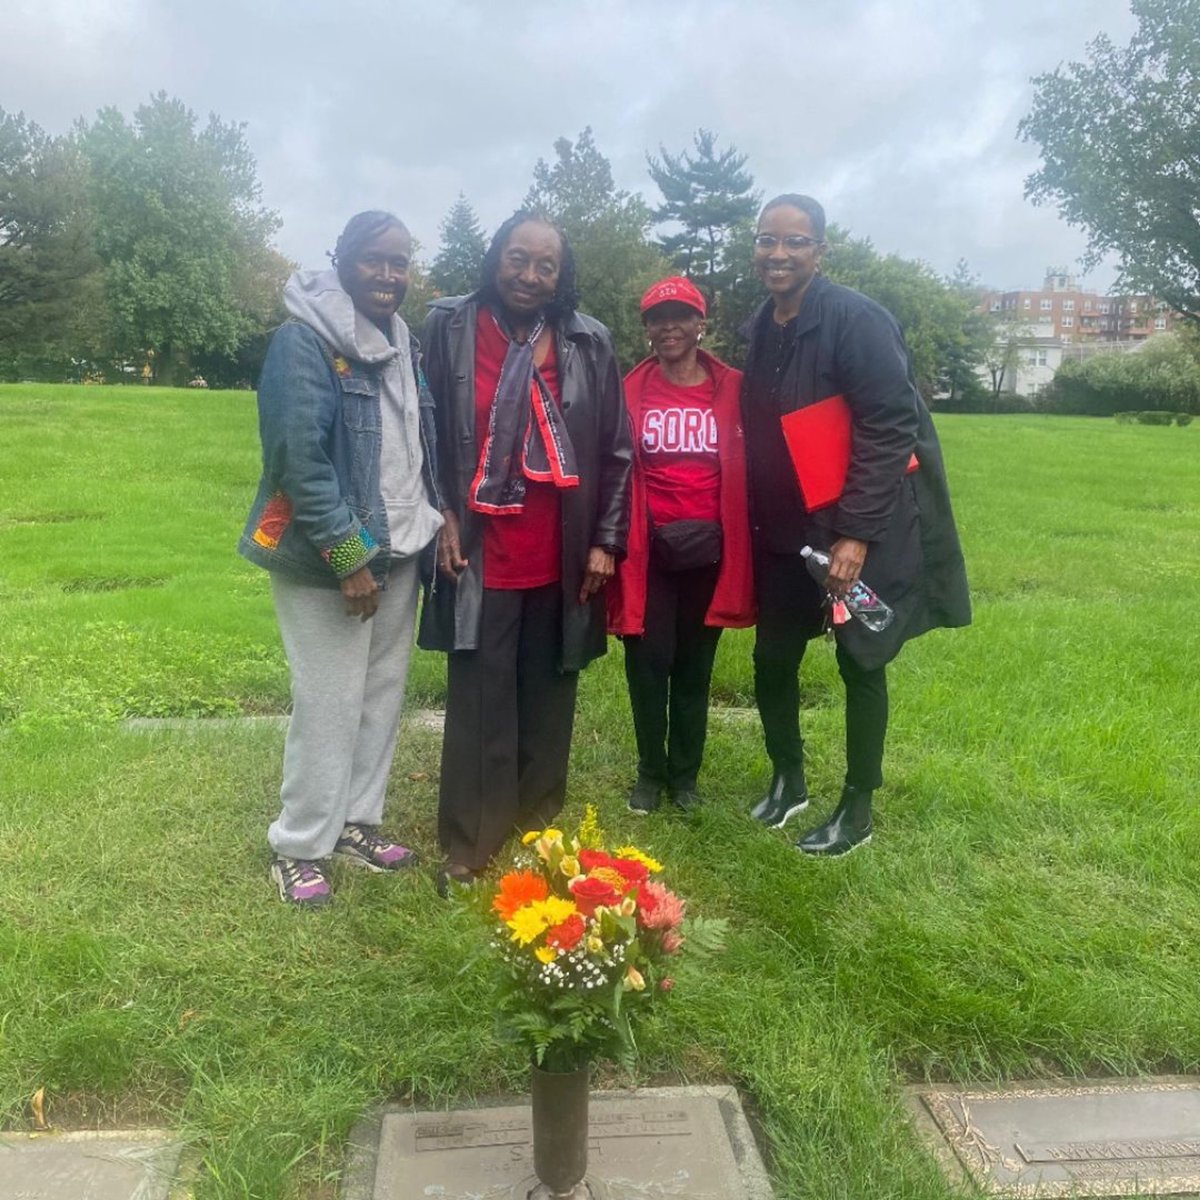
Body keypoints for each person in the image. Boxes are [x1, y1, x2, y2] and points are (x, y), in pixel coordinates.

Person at [741, 194, 970, 855]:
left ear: (820, 250)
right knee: (772, 657)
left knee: (860, 661)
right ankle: (790, 779)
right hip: (787, 531)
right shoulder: (763, 324)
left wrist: (857, 534)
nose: (778, 254)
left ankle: (858, 807)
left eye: (794, 242)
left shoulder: (856, 320)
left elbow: (891, 423)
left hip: (850, 531)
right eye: (766, 241)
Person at [419, 211, 632, 891]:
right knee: (481, 694)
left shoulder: (588, 340)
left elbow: (617, 451)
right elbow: (423, 432)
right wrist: (441, 512)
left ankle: (538, 826)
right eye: (518, 259)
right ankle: (471, 838)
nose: (531, 276)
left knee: (549, 692)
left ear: (562, 273)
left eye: (547, 265)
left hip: (562, 551)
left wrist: (606, 539)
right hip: (479, 549)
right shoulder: (449, 327)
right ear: (494, 258)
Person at [239, 211, 444, 906]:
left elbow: (416, 444)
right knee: (328, 703)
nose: (389, 275)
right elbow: (299, 458)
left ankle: (356, 821)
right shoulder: (303, 341)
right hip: (334, 560)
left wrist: (433, 524)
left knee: (380, 697)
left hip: (402, 549)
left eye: (400, 262)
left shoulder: (399, 337)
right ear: (342, 260)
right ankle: (298, 845)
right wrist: (349, 557)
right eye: (374, 260)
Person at [607, 276, 754, 814]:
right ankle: (650, 773)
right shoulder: (628, 391)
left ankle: (685, 778)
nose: (668, 326)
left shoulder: (734, 388)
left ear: (700, 324)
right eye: (656, 318)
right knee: (648, 662)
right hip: (647, 550)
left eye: (680, 316)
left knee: (695, 666)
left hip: (711, 549)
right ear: (646, 329)